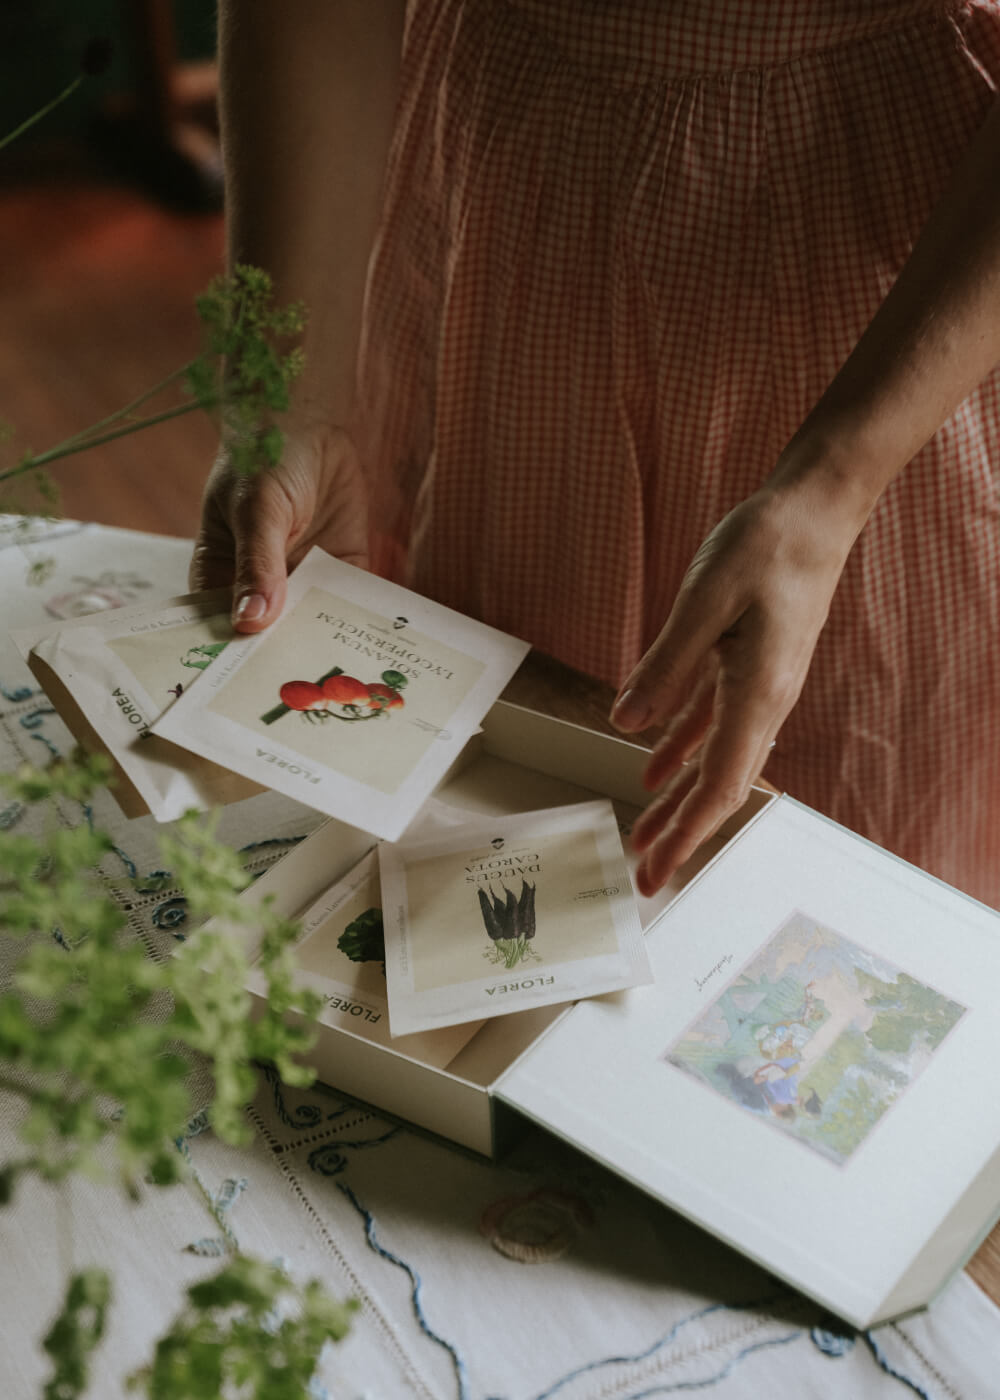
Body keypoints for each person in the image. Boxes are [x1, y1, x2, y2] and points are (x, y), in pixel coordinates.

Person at [192, 1, 1000, 906]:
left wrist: (837, 482)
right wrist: (292, 402)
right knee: (478, 810)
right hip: (502, 187)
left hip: (885, 300)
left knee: (832, 848)